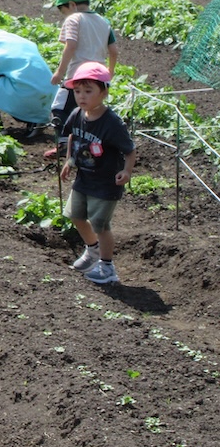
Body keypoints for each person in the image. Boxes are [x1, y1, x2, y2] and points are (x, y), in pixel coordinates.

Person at [59, 61, 136, 285]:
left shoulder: (111, 123)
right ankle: (91, 251)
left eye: (88, 91)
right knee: (75, 215)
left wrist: (127, 171)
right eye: (77, 91)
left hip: (105, 183)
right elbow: (73, 135)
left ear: (103, 92)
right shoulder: (77, 114)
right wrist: (69, 160)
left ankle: (107, 267)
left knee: (100, 224)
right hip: (84, 177)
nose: (81, 97)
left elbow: (130, 150)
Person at [46, 0, 120, 159]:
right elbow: (114, 50)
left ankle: (64, 148)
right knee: (89, 111)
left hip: (78, 74)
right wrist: (109, 71)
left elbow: (70, 46)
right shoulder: (104, 22)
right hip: (98, 75)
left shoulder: (74, 19)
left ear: (71, 5)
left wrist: (60, 72)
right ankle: (91, 145)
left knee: (59, 110)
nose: (64, 15)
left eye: (63, 11)